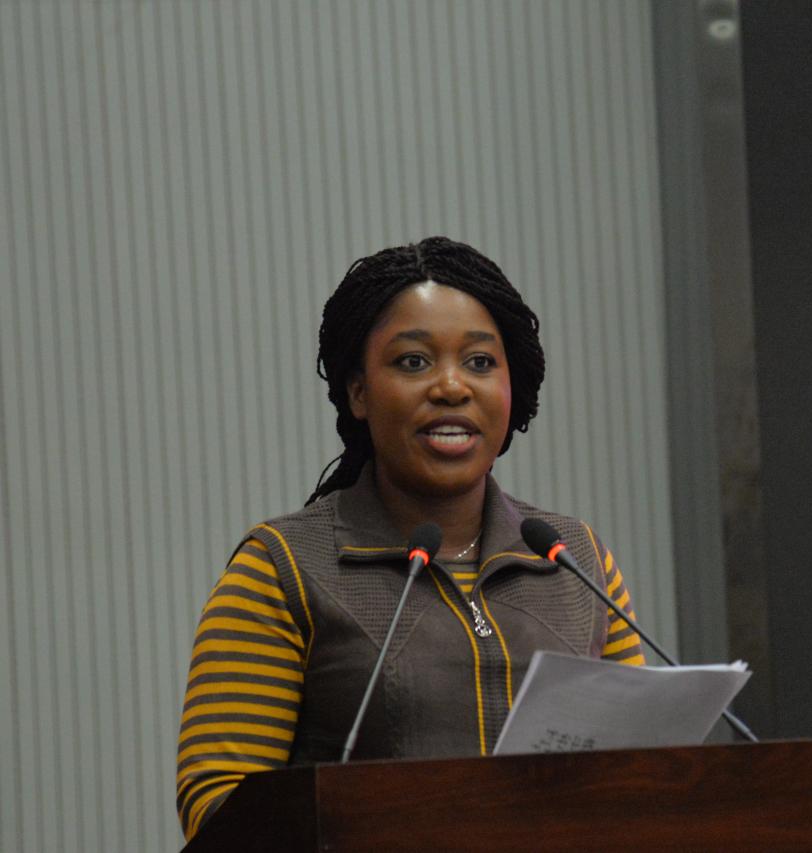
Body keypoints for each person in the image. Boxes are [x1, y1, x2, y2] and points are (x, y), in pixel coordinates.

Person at [175, 237, 645, 840]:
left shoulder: (574, 559)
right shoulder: (283, 566)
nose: (451, 387)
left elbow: (649, 775)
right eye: (413, 362)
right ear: (359, 392)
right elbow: (219, 807)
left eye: (480, 362)